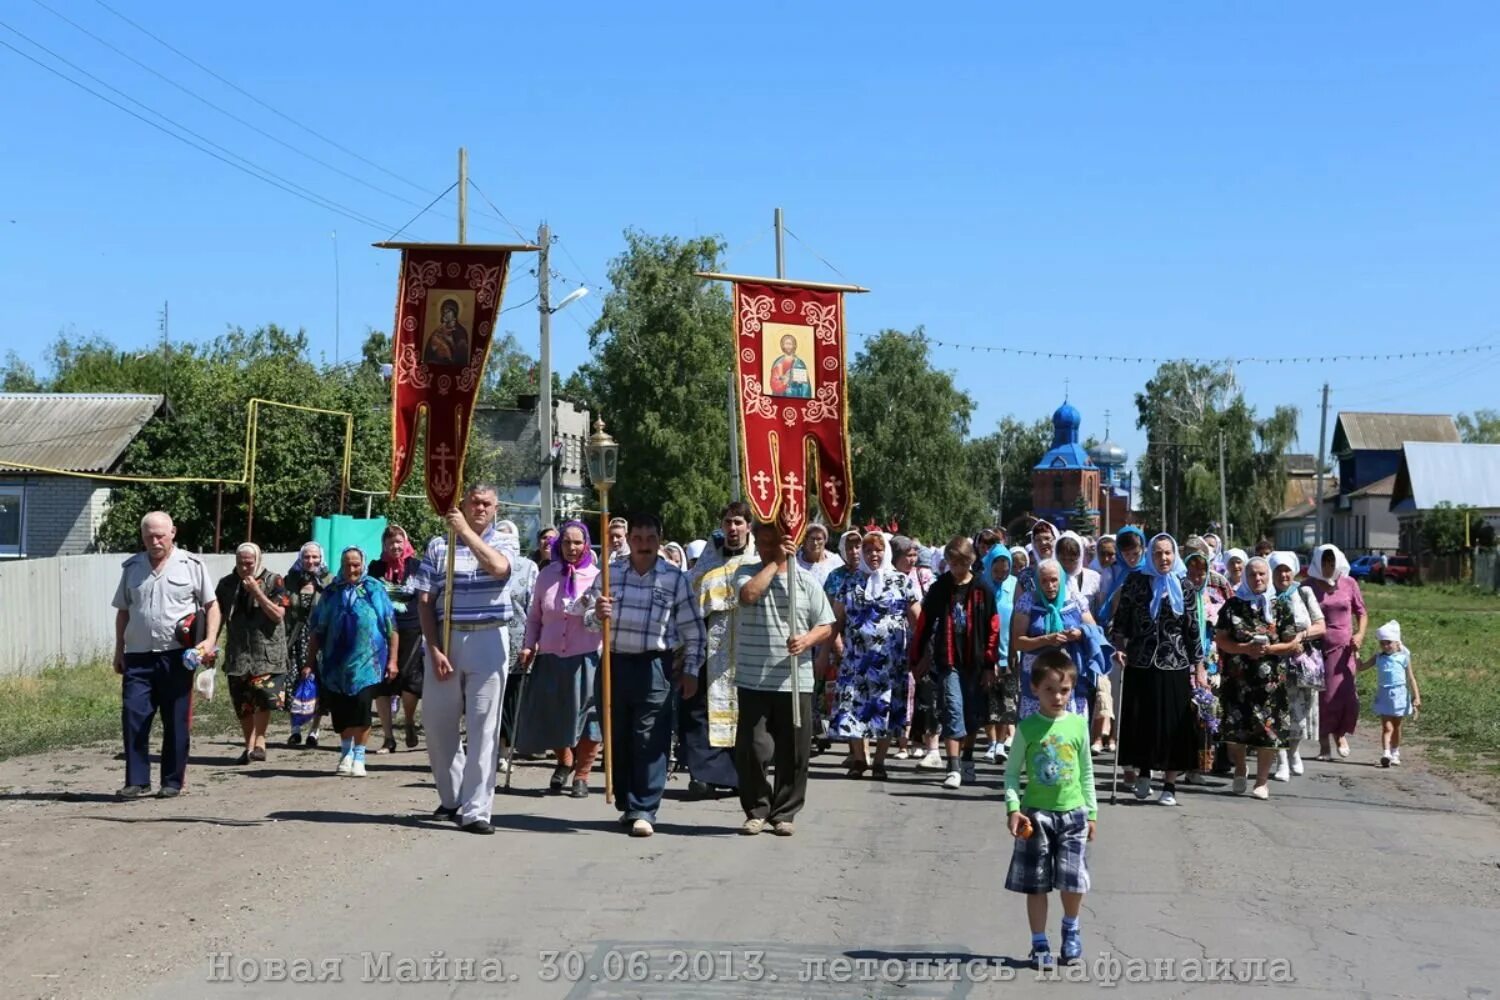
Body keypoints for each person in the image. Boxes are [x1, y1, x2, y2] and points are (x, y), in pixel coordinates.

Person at [584, 512, 706, 836]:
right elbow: (586, 618)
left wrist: (691, 670)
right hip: (613, 663)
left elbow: (694, 631)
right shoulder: (610, 575)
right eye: (637, 538)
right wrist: (597, 613)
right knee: (618, 735)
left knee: (649, 737)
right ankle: (627, 801)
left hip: (654, 665)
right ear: (630, 541)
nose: (643, 545)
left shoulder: (674, 579)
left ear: (659, 541)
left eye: (650, 539)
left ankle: (645, 808)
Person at [415, 484, 515, 835]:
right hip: (446, 638)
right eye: (474, 502)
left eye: (487, 503)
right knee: (438, 724)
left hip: (489, 637)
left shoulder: (503, 540)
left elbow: (500, 568)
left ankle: (477, 809)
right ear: (463, 503)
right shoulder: (438, 546)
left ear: (496, 507)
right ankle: (453, 795)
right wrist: (433, 646)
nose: (480, 508)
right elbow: (425, 600)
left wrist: (466, 533)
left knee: (483, 727)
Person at [733, 523, 837, 835]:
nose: (766, 547)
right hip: (754, 677)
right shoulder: (746, 571)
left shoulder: (805, 581)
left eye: (773, 543)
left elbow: (827, 624)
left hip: (794, 679)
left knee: (794, 750)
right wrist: (774, 563)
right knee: (753, 749)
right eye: (762, 542)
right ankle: (757, 809)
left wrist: (807, 641)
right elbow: (748, 595)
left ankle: (785, 812)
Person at [111, 512, 220, 799]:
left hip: (177, 656)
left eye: (160, 535)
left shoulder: (191, 565)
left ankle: (172, 781)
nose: (155, 541)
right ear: (142, 536)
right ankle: (137, 780)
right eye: (149, 536)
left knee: (175, 721)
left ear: (173, 532)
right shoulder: (133, 567)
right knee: (133, 716)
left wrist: (208, 641)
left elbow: (212, 605)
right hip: (138, 656)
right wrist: (118, 651)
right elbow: (123, 611)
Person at [1004, 648, 1097, 970]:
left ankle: (1071, 927)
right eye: (1049, 690)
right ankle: (1038, 941)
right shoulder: (1028, 728)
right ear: (1035, 689)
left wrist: (1092, 812)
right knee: (1037, 882)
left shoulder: (1078, 726)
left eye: (1064, 690)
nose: (1057, 697)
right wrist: (1013, 808)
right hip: (1036, 816)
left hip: (1074, 814)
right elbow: (1012, 774)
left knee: (1074, 879)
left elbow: (1086, 772)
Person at [1109, 534, 1205, 805]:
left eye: (1168, 553)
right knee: (1144, 721)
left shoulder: (1184, 585)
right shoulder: (1137, 581)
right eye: (1158, 553)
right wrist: (1119, 645)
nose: (1163, 558)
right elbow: (1121, 621)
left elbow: (1193, 628)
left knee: (1174, 724)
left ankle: (1170, 785)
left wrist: (1199, 665)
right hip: (1141, 661)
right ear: (1149, 556)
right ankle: (1143, 772)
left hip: (1174, 663)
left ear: (1174, 555)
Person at [517, 521, 602, 798]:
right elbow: (534, 617)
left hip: (586, 656)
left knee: (589, 717)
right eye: (567, 543)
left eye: (578, 543)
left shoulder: (598, 576)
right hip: (551, 655)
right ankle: (564, 760)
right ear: (559, 545)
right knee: (553, 715)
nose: (572, 548)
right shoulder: (546, 575)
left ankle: (583, 774)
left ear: (586, 544)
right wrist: (529, 646)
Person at [827, 532, 919, 779]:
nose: (873, 555)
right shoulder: (850, 582)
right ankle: (859, 759)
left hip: (890, 662)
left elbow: (917, 619)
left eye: (878, 550)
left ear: (886, 552)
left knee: (885, 708)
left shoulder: (901, 581)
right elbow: (835, 620)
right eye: (868, 551)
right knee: (853, 706)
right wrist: (832, 647)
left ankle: (879, 762)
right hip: (856, 660)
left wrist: (920, 653)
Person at [912, 537, 1000, 790]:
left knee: (972, 712)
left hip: (975, 659)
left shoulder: (983, 589)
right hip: (948, 657)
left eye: (962, 563)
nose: (957, 569)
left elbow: (993, 628)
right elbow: (925, 622)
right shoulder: (941, 587)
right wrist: (917, 655)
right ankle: (953, 768)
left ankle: (968, 761)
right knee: (952, 708)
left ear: (970, 561)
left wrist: (989, 663)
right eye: (952, 563)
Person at [302, 547, 398, 777]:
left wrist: (393, 661)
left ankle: (360, 756)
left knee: (362, 707)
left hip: (368, 662)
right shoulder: (332, 592)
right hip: (336, 663)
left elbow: (391, 627)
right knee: (341, 711)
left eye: (356, 564)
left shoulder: (374, 589)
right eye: (347, 565)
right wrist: (309, 661)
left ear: (362, 564)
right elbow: (317, 630)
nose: (352, 569)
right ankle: (346, 753)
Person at [682, 502, 755, 796]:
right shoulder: (707, 563)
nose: (733, 528)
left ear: (748, 526)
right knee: (701, 709)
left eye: (738, 522)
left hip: (748, 648)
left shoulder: (758, 561)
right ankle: (705, 775)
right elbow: (689, 598)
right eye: (728, 522)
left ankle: (743, 773)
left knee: (746, 711)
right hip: (710, 648)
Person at [1216, 556, 1298, 799]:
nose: (1258, 579)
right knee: (1234, 731)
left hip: (1270, 684)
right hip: (1237, 681)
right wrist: (1244, 648)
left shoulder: (1279, 606)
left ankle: (1262, 782)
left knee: (1268, 733)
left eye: (1262, 574)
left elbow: (1291, 642)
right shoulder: (1232, 605)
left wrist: (1268, 650)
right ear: (1245, 578)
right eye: (1253, 575)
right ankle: (1240, 768)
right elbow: (1221, 639)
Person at [214, 542, 288, 765]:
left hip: (266, 652)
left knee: (263, 698)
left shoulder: (274, 581)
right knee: (242, 702)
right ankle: (249, 746)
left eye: (249, 563)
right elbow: (217, 615)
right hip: (238, 653)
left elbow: (278, 614)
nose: (245, 567)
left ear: (258, 561)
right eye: (240, 563)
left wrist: (257, 592)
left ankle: (261, 742)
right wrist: (210, 643)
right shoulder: (226, 584)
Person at [1012, 560, 1098, 723]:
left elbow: (1093, 630)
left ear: (1062, 579)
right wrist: (1046, 640)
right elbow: (1018, 642)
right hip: (1038, 674)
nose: (1049, 585)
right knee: (1037, 727)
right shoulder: (1028, 601)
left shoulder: (1075, 599)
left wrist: (1079, 633)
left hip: (1068, 673)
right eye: (1043, 581)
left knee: (1067, 727)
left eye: (1054, 580)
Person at [1307, 543, 1367, 761]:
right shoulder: (1309, 586)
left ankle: (1340, 733)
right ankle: (1325, 744)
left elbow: (1362, 612)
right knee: (1326, 697)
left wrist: (1359, 635)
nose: (1328, 567)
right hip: (1318, 649)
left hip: (1345, 651)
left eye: (1331, 563)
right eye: (1324, 563)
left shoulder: (1349, 583)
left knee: (1348, 697)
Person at [1269, 552, 1325, 781]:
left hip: (1303, 664)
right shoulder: (1266, 595)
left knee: (1300, 715)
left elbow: (1321, 626)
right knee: (1276, 713)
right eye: (1278, 570)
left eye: (1287, 570)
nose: (1283, 574)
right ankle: (1281, 760)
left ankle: (1293, 753)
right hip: (1275, 663)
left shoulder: (1304, 592)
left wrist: (1300, 636)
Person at [368, 525, 424, 753]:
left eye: (399, 541)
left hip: (411, 628)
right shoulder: (375, 568)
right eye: (391, 542)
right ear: (384, 545)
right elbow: (370, 595)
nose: (395, 546)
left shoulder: (417, 566)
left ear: (406, 542)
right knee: (382, 684)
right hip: (381, 630)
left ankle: (409, 721)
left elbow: (424, 597)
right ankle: (388, 738)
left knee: (411, 680)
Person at [283, 542, 334, 746]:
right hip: (296, 638)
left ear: (321, 558)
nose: (311, 561)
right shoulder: (290, 580)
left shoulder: (329, 581)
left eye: (315, 557)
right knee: (294, 681)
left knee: (318, 683)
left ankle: (315, 730)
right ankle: (295, 729)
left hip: (320, 639)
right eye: (307, 557)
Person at [1360, 621, 1420, 768]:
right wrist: (1355, 651)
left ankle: (1395, 752)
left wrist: (1416, 696)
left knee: (1397, 726)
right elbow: (1361, 667)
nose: (1386, 646)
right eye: (1382, 643)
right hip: (1384, 694)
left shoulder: (1403, 658)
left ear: (1396, 643)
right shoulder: (1379, 657)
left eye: (1389, 643)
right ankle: (1386, 753)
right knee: (1387, 727)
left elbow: (1411, 678)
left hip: (1400, 694)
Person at [983, 547, 1020, 764]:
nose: (1000, 574)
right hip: (986, 653)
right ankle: (990, 742)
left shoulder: (1015, 585)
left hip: (1010, 652)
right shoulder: (981, 585)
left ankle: (1001, 743)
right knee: (989, 701)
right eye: (996, 570)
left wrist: (1015, 649)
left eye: (1004, 570)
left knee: (1007, 701)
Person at [424, 297, 470, 365]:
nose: (445, 314)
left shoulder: (461, 332)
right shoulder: (438, 330)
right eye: (444, 311)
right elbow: (428, 355)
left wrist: (450, 341)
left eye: (448, 311)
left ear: (454, 313)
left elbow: (462, 355)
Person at [796, 523, 842, 587]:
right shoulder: (796, 561)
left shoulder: (835, 561)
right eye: (812, 539)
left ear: (825, 541)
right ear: (805, 540)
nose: (815, 543)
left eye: (819, 539)